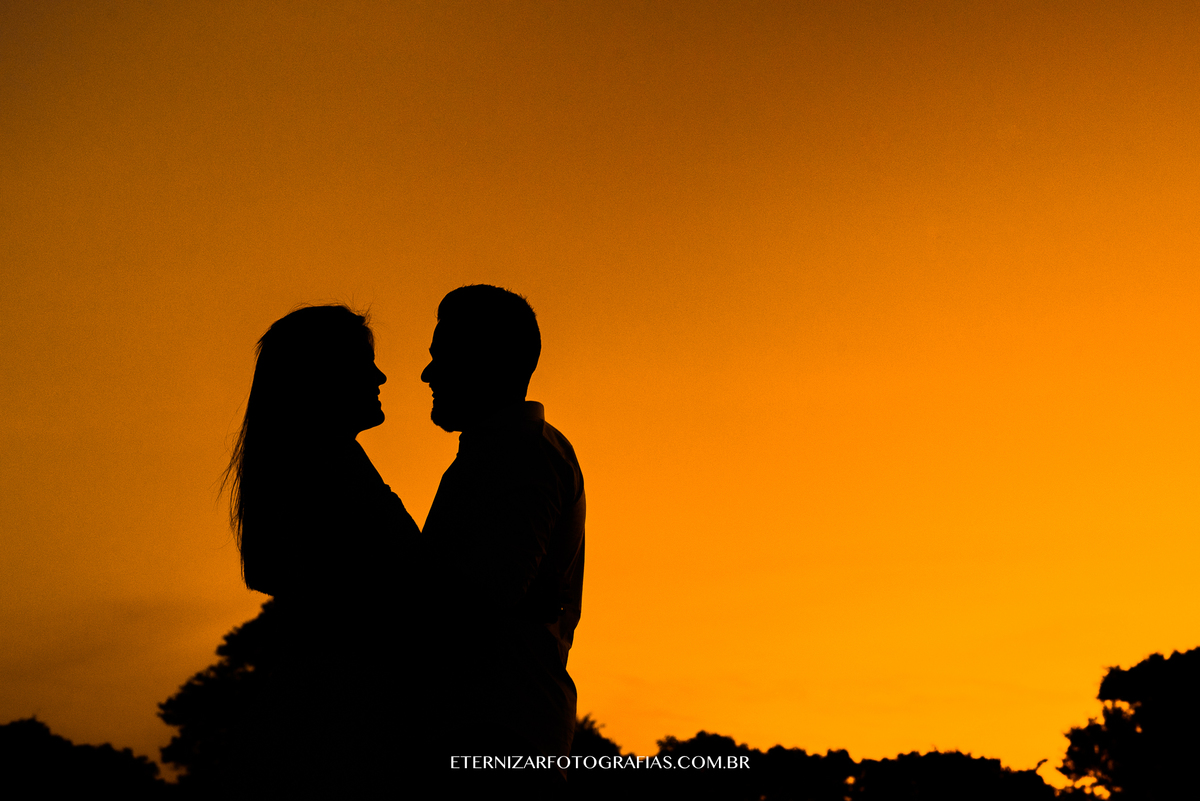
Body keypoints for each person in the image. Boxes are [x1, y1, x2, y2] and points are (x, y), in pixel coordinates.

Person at [223, 304, 419, 793]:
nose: (380, 375)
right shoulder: (326, 476)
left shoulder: (324, 468)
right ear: (320, 377)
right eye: (361, 363)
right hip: (345, 730)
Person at [420, 285, 585, 798]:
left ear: (485, 362)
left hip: (497, 732)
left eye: (441, 356)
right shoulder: (508, 452)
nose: (428, 374)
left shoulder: (521, 456)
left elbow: (486, 600)